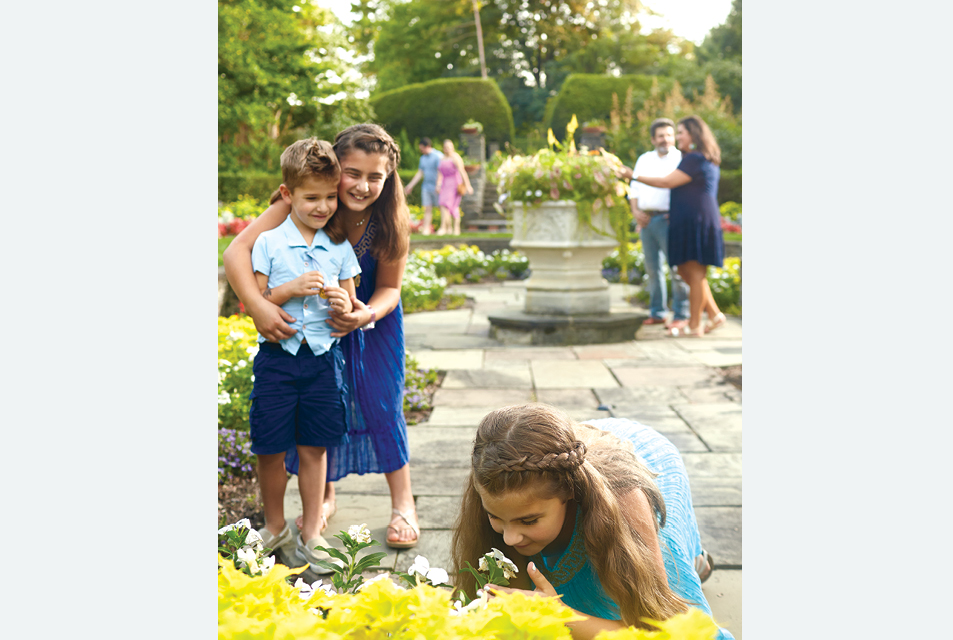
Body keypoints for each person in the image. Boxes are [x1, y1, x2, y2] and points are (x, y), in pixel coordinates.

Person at [223, 123, 421, 550]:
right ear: (334, 167)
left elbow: (390, 288)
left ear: (388, 179)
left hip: (370, 319)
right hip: (307, 323)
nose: (363, 186)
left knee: (381, 402)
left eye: (376, 177)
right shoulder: (301, 201)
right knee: (324, 411)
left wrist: (364, 313)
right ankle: (324, 500)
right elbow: (236, 251)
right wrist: (259, 308)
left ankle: (403, 501)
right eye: (352, 172)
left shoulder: (389, 219)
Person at [451, 404, 733, 640]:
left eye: (528, 520)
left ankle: (692, 562)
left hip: (646, 462)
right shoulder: (505, 480)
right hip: (557, 453)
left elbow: (665, 630)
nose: (509, 538)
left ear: (570, 493)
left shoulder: (625, 501)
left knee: (653, 580)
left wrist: (559, 615)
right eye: (496, 518)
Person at [243, 138, 362, 573]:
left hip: (323, 361)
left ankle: (312, 530)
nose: (323, 206)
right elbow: (256, 299)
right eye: (312, 198)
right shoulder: (269, 243)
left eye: (330, 197)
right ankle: (275, 525)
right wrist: (290, 290)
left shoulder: (339, 248)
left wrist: (340, 303)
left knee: (315, 446)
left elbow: (351, 303)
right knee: (270, 445)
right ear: (287, 194)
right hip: (278, 360)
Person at [621, 115, 726, 338]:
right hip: (691, 218)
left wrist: (633, 175)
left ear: (694, 135)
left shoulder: (694, 159)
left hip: (694, 220)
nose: (676, 137)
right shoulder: (699, 157)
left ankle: (694, 324)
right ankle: (714, 314)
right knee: (689, 272)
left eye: (680, 133)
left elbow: (667, 183)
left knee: (694, 272)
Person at [628, 118, 690, 332]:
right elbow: (633, 189)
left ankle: (682, 314)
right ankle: (657, 312)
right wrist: (636, 212)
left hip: (669, 219)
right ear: (653, 139)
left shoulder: (682, 159)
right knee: (652, 270)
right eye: (661, 136)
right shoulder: (644, 159)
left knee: (677, 269)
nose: (666, 140)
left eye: (670, 135)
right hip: (646, 220)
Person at [403, 137, 443, 235]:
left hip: (437, 187)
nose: (421, 151)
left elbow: (440, 172)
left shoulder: (438, 156)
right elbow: (420, 173)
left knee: (441, 208)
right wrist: (410, 185)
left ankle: (443, 228)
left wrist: (438, 185)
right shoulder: (423, 158)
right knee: (427, 208)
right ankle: (426, 229)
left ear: (428, 146)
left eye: (422, 149)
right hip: (426, 187)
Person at [435, 139, 474, 236]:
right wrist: (438, 184)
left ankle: (454, 228)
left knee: (453, 207)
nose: (447, 149)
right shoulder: (442, 159)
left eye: (449, 147)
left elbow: (462, 172)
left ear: (452, 148)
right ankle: (446, 227)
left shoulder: (455, 157)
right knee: (443, 204)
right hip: (445, 183)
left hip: (454, 183)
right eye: (446, 147)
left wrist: (468, 185)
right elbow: (439, 174)